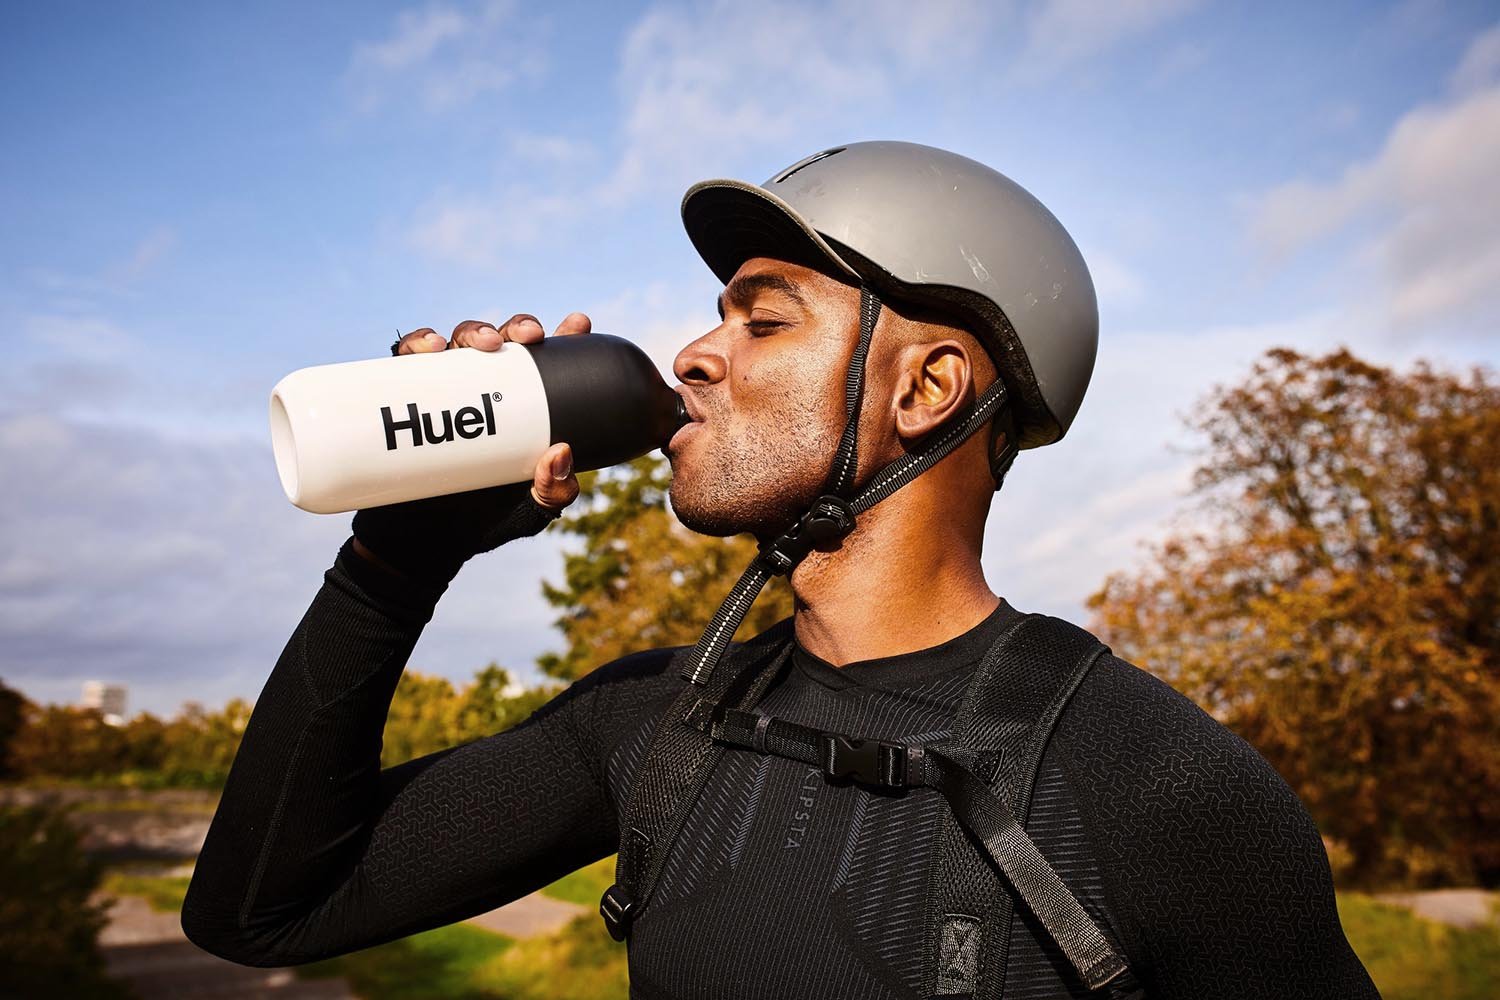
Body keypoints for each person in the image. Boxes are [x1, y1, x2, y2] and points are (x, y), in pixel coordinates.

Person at [182, 142, 1380, 999]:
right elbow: (262, 910)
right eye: (717, 318)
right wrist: (394, 561)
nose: (696, 354)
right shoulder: (661, 721)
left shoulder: (1159, 784)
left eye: (765, 321)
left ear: (926, 388)